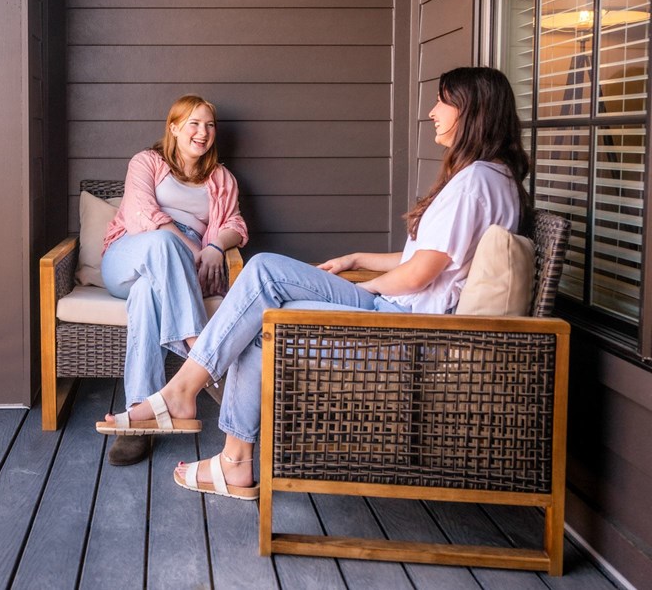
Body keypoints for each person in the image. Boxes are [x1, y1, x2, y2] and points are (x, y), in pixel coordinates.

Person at [96, 66, 532, 500]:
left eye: (444, 101)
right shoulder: (495, 179)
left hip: (407, 321)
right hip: (411, 313)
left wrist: (369, 288)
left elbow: (421, 273)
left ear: (470, 111)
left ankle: (183, 391)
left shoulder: (473, 182)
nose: (433, 111)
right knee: (262, 316)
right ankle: (233, 462)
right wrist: (356, 258)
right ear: (173, 129)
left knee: (263, 271)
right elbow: (430, 257)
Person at [99, 94, 248, 466]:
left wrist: (214, 246)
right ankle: (202, 352)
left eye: (209, 125)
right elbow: (140, 214)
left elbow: (235, 225)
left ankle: (140, 414)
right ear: (174, 128)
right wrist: (189, 247)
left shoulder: (221, 179)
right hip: (129, 255)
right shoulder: (147, 162)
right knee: (163, 241)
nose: (203, 132)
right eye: (194, 124)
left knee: (148, 295)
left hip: (177, 271)